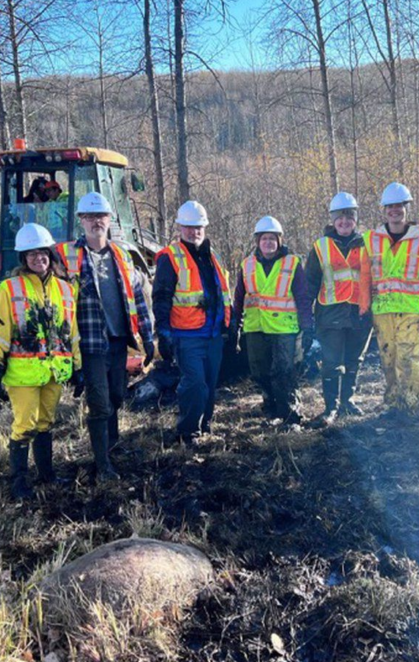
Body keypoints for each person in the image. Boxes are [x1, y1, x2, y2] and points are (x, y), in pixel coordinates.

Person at [56, 192, 155, 482]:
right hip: (88, 343)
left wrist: (148, 339)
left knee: (116, 396)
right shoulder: (65, 255)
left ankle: (112, 446)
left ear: (110, 220)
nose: (95, 222)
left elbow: (138, 299)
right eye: (89, 217)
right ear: (80, 221)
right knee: (99, 402)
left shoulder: (122, 255)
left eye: (100, 216)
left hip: (118, 340)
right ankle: (102, 465)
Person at [0, 222, 81, 499]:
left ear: (50, 256)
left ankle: (46, 474)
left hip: (55, 370)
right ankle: (19, 481)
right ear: (23, 259)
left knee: (46, 423)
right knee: (25, 425)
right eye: (31, 255)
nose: (38, 259)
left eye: (43, 254)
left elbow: (72, 331)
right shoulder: (9, 288)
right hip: (22, 370)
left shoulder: (65, 289)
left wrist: (78, 367)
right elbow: (0, 328)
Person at [151, 200, 231, 446]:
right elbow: (161, 297)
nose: (193, 232)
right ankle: (188, 432)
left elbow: (223, 292)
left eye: (198, 227)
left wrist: (230, 325)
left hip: (214, 333)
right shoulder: (171, 257)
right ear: (180, 227)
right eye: (188, 227)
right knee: (194, 383)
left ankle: (204, 425)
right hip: (187, 335)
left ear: (204, 228)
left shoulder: (212, 255)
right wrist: (163, 333)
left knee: (209, 382)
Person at [359, 182, 419, 420]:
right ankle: (393, 403)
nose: (395, 210)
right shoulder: (371, 240)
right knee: (388, 357)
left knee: (408, 357)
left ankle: (410, 403)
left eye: (399, 206)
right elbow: (364, 276)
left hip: (410, 309)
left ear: (406, 208)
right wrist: (363, 308)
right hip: (383, 310)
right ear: (384, 210)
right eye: (390, 206)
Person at [231, 216, 313, 427]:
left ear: (279, 240)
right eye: (264, 238)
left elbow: (303, 297)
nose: (268, 242)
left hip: (284, 328)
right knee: (259, 371)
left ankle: (289, 414)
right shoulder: (247, 265)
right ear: (257, 241)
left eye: (272, 238)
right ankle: (271, 403)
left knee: (283, 371)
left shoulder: (292, 264)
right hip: (255, 327)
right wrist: (235, 323)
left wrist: (307, 326)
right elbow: (239, 297)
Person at [305, 191, 372, 425]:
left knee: (354, 360)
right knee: (332, 363)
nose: (345, 222)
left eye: (349, 217)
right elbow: (310, 282)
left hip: (360, 315)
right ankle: (330, 408)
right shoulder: (320, 246)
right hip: (329, 315)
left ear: (355, 219)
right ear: (332, 220)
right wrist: (305, 318)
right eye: (340, 217)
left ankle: (348, 402)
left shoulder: (368, 245)